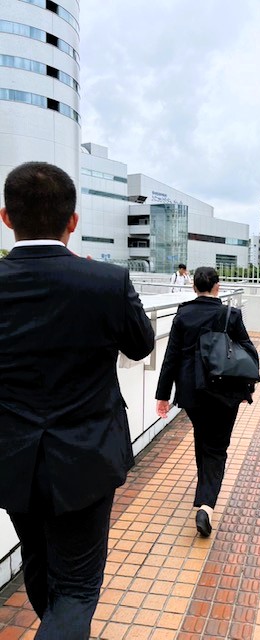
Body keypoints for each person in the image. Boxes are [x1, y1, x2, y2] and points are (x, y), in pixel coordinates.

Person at [0, 162, 155, 639]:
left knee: (37, 557)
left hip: (11, 454)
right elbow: (142, 345)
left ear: (7, 217)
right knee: (78, 587)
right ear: (73, 221)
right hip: (86, 456)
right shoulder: (105, 283)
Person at [156, 266, 259, 537]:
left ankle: (203, 494)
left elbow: (171, 357)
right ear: (217, 286)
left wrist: (162, 395)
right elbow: (248, 350)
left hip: (192, 392)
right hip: (226, 392)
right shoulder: (230, 314)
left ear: (194, 287)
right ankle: (206, 505)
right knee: (217, 447)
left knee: (203, 439)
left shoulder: (183, 315)